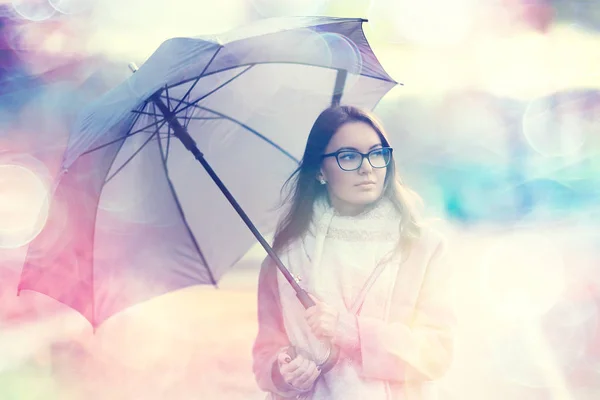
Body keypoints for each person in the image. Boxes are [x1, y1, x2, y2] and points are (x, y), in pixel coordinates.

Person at [252, 105, 455, 399]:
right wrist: (283, 371)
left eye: (376, 153)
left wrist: (352, 332)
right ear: (320, 170)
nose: (367, 167)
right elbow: (265, 355)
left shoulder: (423, 248)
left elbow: (436, 353)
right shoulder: (284, 256)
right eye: (348, 156)